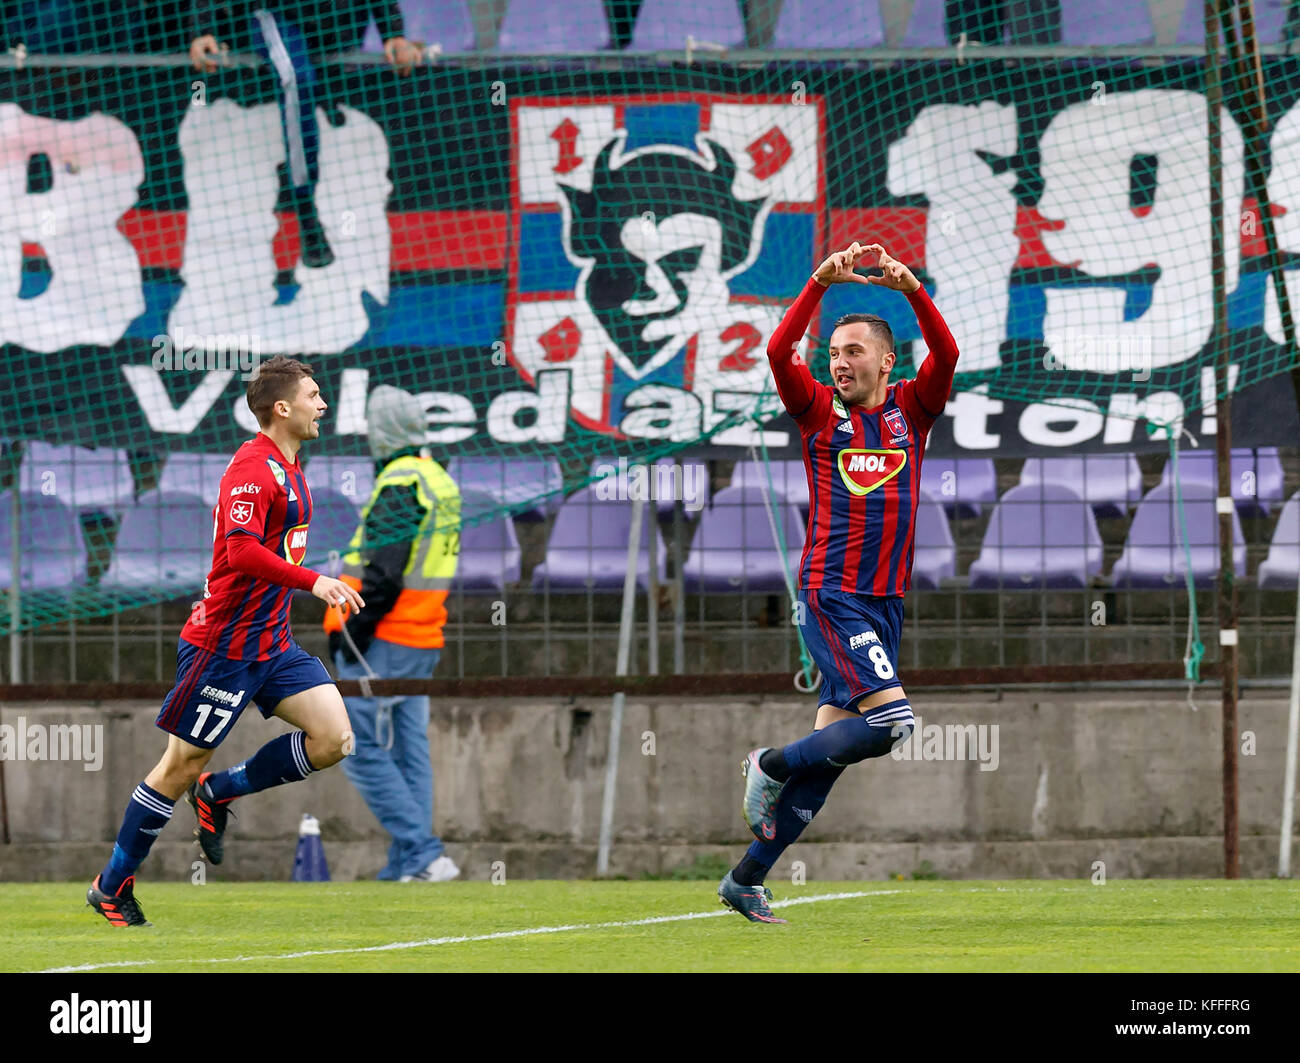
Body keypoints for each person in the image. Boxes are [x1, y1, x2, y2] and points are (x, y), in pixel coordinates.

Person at [717, 242, 960, 923]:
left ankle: (745, 878)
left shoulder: (912, 410)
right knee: (892, 721)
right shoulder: (819, 412)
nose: (840, 361)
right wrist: (815, 284)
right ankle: (767, 761)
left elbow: (948, 356)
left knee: (828, 761)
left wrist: (913, 290)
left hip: (884, 605)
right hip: (832, 594)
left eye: (855, 351)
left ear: (887, 360)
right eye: (834, 351)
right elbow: (776, 352)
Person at [87, 354, 365, 927]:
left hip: (273, 645)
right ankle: (112, 885)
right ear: (282, 408)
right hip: (224, 650)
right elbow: (239, 551)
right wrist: (316, 581)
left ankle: (221, 792)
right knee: (177, 768)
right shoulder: (252, 468)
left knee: (335, 739)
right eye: (314, 394)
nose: (324, 403)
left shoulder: (292, 467)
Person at [323, 386, 462, 883]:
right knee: (409, 749)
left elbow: (383, 575)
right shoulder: (438, 480)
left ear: (379, 433)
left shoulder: (401, 481)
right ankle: (412, 864)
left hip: (382, 640)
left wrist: (348, 630)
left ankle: (422, 853)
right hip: (423, 635)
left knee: (351, 744)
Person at [188, 2, 422, 268]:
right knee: (296, 79)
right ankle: (306, 209)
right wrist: (202, 29)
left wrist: (394, 34)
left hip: (339, 23)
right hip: (277, 16)